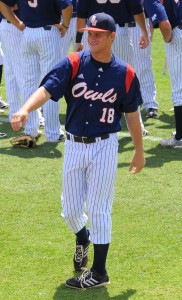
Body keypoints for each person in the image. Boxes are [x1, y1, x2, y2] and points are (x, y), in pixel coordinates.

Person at [11, 13, 146, 289]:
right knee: (70, 210)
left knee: (99, 209)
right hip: (73, 145)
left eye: (98, 33)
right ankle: (82, 237)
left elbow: (132, 115)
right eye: (89, 32)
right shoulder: (73, 63)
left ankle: (99, 271)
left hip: (105, 147)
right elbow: (47, 90)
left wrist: (139, 151)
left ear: (112, 37)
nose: (91, 37)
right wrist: (25, 109)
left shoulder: (126, 74)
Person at [0, 0, 73, 142]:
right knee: (52, 82)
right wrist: (65, 25)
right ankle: (52, 133)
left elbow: (3, 4)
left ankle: (31, 129)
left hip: (28, 33)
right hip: (47, 32)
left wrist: (18, 24)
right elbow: (68, 7)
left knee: (29, 83)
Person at [75, 0, 150, 136]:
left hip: (93, 34)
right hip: (118, 33)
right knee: (127, 80)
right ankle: (138, 126)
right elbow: (137, 9)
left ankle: (91, 122)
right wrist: (144, 31)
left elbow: (82, 14)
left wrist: (78, 39)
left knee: (91, 80)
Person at [144, 0, 182, 148]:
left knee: (179, 89)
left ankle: (179, 138)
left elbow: (165, 25)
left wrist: (169, 40)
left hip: (178, 34)